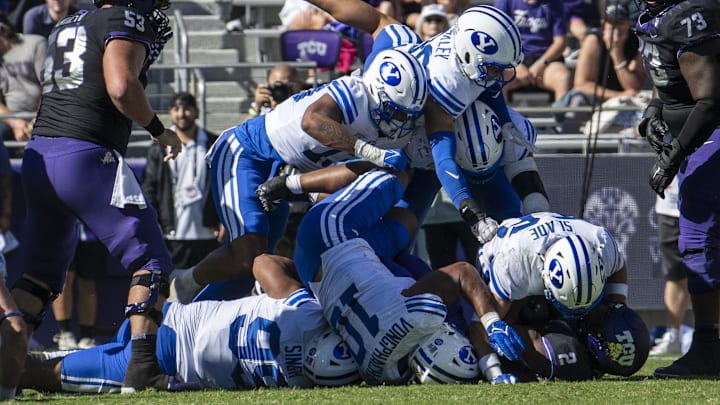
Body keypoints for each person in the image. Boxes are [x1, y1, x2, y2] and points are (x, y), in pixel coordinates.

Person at [8, 0, 182, 396]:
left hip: (40, 154)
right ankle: (142, 371)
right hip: (85, 155)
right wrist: (159, 131)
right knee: (150, 260)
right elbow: (121, 86)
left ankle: (7, 373)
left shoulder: (69, 22)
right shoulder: (123, 18)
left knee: (39, 276)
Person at [169, 47, 428, 304]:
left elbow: (356, 172)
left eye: (406, 115)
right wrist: (368, 151)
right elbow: (312, 121)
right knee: (249, 252)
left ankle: (199, 313)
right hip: (246, 152)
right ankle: (185, 280)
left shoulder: (385, 127)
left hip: (284, 169)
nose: (399, 122)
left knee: (254, 268)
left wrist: (296, 184)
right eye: (395, 112)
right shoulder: (355, 91)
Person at [302, 1, 541, 246]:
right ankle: (313, 187)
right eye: (493, 68)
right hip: (381, 114)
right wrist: (469, 210)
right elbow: (443, 157)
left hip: (401, 55)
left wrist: (504, 120)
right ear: (470, 55)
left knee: (387, 26)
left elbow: (488, 82)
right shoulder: (448, 87)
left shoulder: (463, 45)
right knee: (390, 185)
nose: (498, 76)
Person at [293, 168, 525, 385]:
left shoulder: (420, 317)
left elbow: (463, 272)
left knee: (395, 171)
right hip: (312, 273)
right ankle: (337, 196)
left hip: (329, 234)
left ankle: (298, 184)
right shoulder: (385, 374)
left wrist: (492, 324)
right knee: (407, 222)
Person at [17, 253, 359, 393]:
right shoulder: (300, 381)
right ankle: (184, 280)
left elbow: (263, 261)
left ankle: (185, 279)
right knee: (40, 373)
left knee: (39, 372)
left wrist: (305, 280)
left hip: (168, 326)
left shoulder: (306, 314)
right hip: (171, 351)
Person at [635, 0, 720, 378]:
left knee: (699, 237)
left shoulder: (690, 16)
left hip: (709, 136)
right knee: (698, 241)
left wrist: (673, 154)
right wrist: (653, 114)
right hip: (697, 140)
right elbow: (671, 83)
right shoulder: (657, 18)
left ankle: (707, 348)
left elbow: (710, 100)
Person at [142, 92, 223, 271]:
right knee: (174, 287)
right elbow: (149, 186)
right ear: (170, 113)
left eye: (187, 108)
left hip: (207, 231)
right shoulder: (159, 147)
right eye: (176, 109)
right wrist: (154, 219)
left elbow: (224, 183)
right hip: (173, 232)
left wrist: (222, 219)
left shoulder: (213, 143)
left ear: (196, 112)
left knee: (205, 287)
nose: (182, 114)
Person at [495, 0, 572, 103]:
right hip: (514, 59)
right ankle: (503, 118)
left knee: (562, 77)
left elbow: (560, 42)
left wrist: (542, 62)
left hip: (546, 61)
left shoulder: (555, 4)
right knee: (497, 78)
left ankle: (562, 118)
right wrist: (515, 63)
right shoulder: (506, 2)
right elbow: (498, 37)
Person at [572, 0, 645, 103]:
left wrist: (616, 52)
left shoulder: (637, 42)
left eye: (620, 22)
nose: (616, 28)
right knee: (577, 100)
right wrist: (619, 95)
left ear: (628, 24)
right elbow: (581, 85)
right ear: (603, 23)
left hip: (625, 101)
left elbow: (633, 87)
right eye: (611, 23)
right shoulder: (593, 40)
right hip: (596, 99)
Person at [650, 175, 690, 355]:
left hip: (706, 202)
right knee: (675, 274)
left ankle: (714, 337)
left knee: (711, 273)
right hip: (669, 204)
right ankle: (673, 334)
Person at [0, 12, 46, 143]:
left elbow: (49, 87)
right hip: (11, 119)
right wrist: (15, 122)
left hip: (43, 113)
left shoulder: (35, 44)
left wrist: (36, 120)